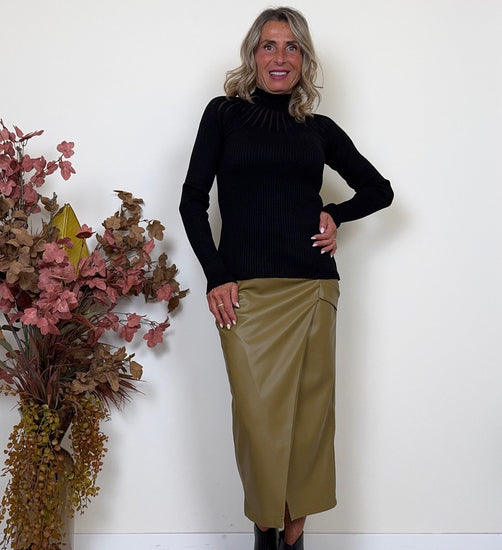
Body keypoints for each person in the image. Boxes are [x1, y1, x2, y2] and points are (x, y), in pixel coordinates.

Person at [179, 6, 393, 550]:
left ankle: (290, 538)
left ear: (304, 58)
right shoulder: (224, 114)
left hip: (311, 291)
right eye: (269, 46)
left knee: (307, 424)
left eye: (292, 46)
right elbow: (192, 200)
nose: (280, 57)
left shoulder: (318, 130)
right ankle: (266, 528)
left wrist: (335, 214)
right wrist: (216, 275)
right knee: (258, 424)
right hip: (244, 293)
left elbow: (379, 190)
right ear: (253, 55)